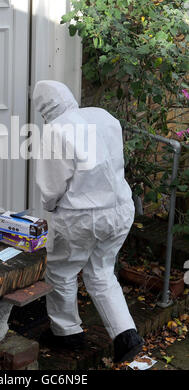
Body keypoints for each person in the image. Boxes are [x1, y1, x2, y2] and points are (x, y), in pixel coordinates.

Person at [33, 80, 144, 363]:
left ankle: (66, 331)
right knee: (101, 272)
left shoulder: (55, 131)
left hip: (82, 217)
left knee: (61, 271)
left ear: (43, 109)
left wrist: (50, 209)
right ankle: (126, 335)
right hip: (120, 209)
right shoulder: (102, 117)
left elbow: (52, 187)